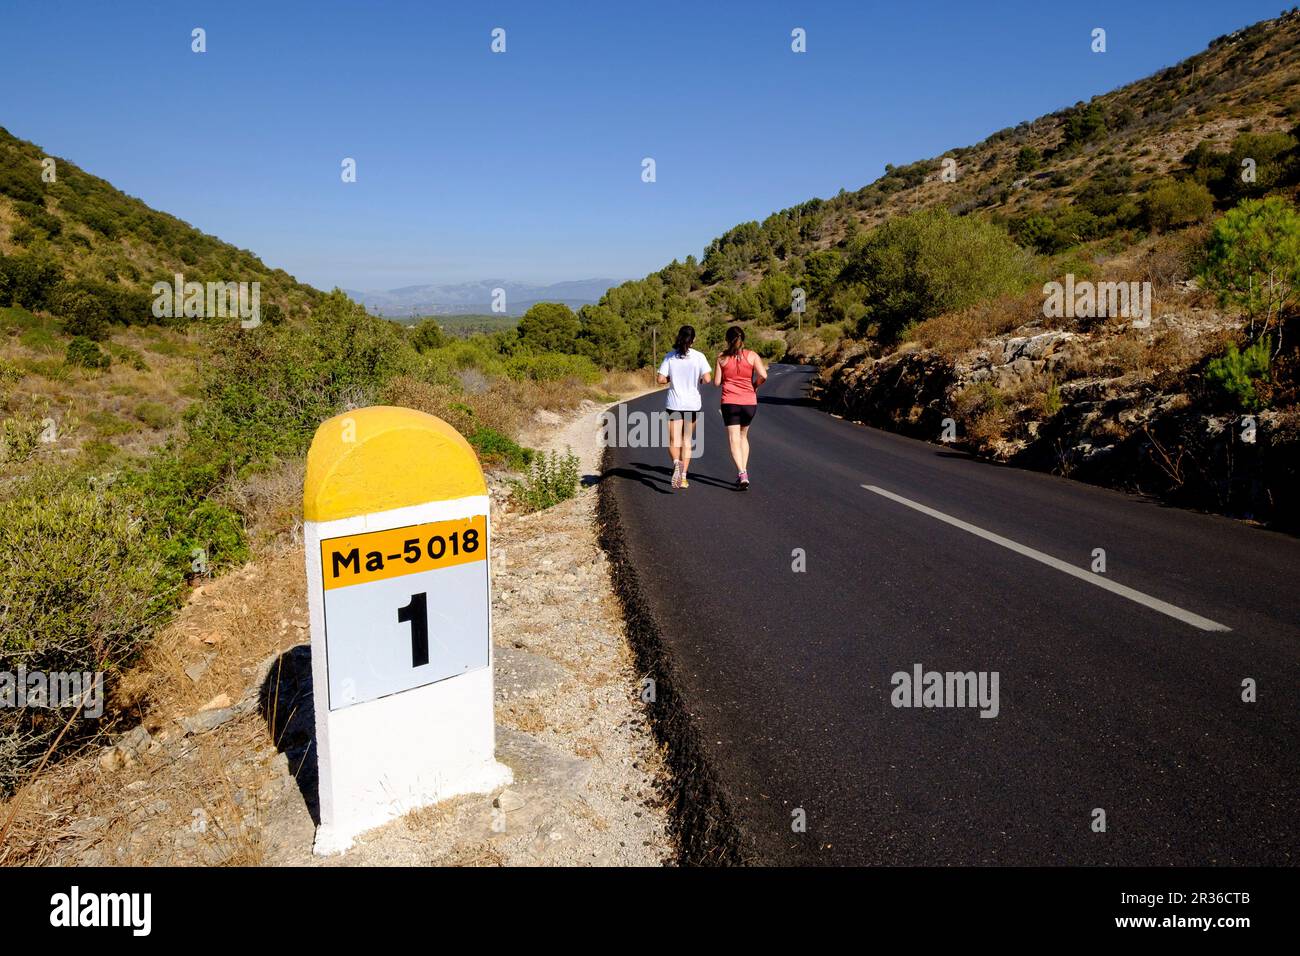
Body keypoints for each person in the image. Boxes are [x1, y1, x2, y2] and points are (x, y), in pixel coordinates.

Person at [657, 325, 712, 490]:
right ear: (693, 339)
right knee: (687, 441)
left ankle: (676, 463)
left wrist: (671, 379)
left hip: (674, 404)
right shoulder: (699, 357)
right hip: (692, 405)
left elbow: (660, 379)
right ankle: (684, 477)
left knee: (674, 440)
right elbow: (708, 379)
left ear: (679, 337)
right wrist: (698, 380)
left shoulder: (670, 357)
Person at [714, 325, 767, 490]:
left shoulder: (721, 358)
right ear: (743, 339)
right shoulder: (752, 356)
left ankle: (742, 472)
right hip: (749, 402)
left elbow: (716, 382)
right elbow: (763, 375)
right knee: (744, 436)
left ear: (727, 340)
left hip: (729, 401)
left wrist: (727, 378)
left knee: (733, 439)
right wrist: (754, 386)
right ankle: (744, 472)